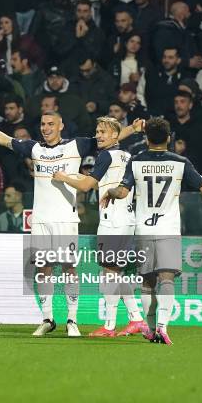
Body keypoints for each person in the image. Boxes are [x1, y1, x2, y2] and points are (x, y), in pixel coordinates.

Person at [0, 111, 142, 337]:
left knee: (69, 269)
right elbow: (3, 139)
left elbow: (110, 137)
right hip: (40, 219)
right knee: (43, 269)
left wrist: (133, 130)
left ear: (61, 126)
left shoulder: (76, 145)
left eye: (51, 124)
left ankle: (72, 320)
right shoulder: (34, 149)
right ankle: (48, 318)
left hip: (66, 218)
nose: (46, 127)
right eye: (43, 124)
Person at [101, 117, 202, 345]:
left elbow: (122, 191)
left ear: (146, 137)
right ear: (169, 138)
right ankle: (162, 327)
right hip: (168, 228)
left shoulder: (136, 162)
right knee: (166, 279)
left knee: (147, 282)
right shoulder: (180, 162)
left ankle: (149, 328)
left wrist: (109, 192)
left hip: (143, 229)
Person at [52, 117, 144, 337]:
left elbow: (86, 186)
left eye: (103, 131)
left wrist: (64, 177)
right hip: (126, 219)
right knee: (113, 273)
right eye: (97, 131)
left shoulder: (106, 156)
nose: (99, 135)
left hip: (113, 221)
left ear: (115, 135)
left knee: (110, 274)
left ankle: (119, 323)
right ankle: (129, 321)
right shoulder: (127, 156)